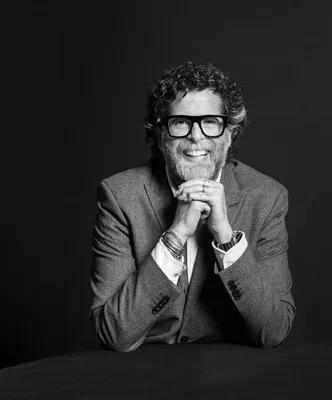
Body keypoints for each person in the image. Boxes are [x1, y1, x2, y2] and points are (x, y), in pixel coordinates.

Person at [90, 61, 295, 351]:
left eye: (210, 122)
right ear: (160, 134)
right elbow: (113, 333)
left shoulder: (267, 197)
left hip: (232, 369)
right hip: (145, 368)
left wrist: (225, 237)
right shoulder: (120, 196)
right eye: (180, 122)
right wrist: (175, 237)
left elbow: (273, 331)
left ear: (229, 134)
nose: (196, 136)